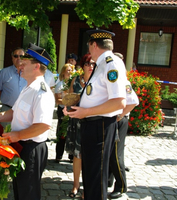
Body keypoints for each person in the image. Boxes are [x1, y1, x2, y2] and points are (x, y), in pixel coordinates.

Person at [63, 29, 127, 200]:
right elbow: (96, 96)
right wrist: (75, 106)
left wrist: (86, 111)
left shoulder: (111, 64)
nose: (88, 51)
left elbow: (119, 102)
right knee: (91, 175)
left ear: (93, 44)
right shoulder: (102, 64)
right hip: (92, 124)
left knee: (96, 177)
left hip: (101, 126)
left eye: (89, 46)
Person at [0, 43, 55, 200]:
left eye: (25, 63)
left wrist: (18, 135)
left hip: (31, 148)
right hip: (21, 145)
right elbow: (14, 112)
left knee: (28, 193)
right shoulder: (28, 87)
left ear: (36, 67)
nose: (20, 65)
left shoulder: (42, 91)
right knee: (20, 190)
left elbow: (43, 125)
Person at [108, 52, 139, 199]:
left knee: (115, 155)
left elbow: (133, 102)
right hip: (110, 120)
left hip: (119, 121)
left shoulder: (124, 82)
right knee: (108, 153)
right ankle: (108, 180)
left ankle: (121, 187)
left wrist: (119, 116)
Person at [65, 53, 94, 198]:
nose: (90, 67)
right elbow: (69, 98)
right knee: (77, 156)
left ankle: (87, 189)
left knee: (88, 157)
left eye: (93, 64)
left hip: (91, 123)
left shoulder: (97, 82)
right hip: (76, 122)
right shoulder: (76, 80)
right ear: (82, 66)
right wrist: (66, 108)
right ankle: (75, 186)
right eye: (88, 64)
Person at [0, 47, 26, 128]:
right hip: (7, 109)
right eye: (16, 56)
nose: (18, 58)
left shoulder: (28, 73)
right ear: (12, 57)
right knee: (4, 136)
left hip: (24, 111)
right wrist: (7, 98)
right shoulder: (4, 72)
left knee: (21, 136)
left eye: (21, 56)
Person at [54, 63, 73, 163]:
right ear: (63, 72)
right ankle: (59, 155)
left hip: (72, 110)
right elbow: (57, 100)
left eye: (71, 70)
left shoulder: (74, 84)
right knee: (62, 133)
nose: (70, 72)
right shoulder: (59, 85)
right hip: (62, 110)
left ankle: (71, 156)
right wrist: (68, 101)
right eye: (68, 70)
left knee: (72, 133)